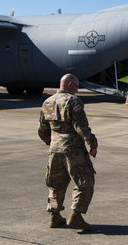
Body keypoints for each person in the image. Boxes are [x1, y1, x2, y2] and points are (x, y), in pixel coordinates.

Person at [38, 73, 98, 230]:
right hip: (73, 150)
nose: (77, 90)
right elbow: (81, 127)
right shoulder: (73, 101)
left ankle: (54, 216)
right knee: (85, 180)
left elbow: (42, 129)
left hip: (55, 149)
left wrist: (52, 143)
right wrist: (92, 143)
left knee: (55, 183)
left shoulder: (47, 102)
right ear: (70, 84)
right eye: (77, 86)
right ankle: (76, 216)